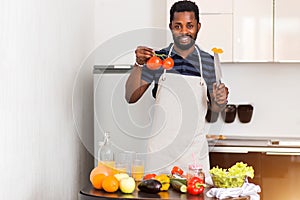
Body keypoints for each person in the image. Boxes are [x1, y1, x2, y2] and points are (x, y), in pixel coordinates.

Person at [125, 0, 229, 177]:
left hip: (193, 157)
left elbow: (216, 110)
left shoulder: (208, 62)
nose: (184, 32)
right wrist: (138, 64)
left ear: (198, 27)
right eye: (178, 26)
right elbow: (131, 96)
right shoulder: (159, 59)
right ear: (170, 27)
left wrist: (220, 101)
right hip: (160, 154)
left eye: (190, 26)